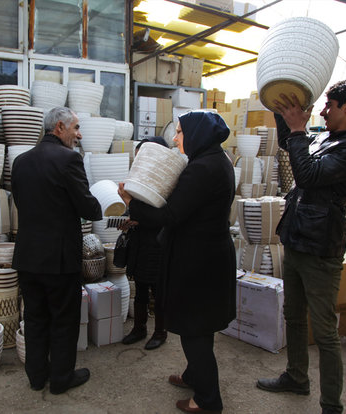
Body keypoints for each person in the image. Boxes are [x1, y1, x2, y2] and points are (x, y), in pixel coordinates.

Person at [256, 79, 346, 414]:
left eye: (330, 105)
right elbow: (291, 146)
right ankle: (296, 377)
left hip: (321, 248)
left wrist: (297, 130)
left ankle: (331, 404)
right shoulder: (328, 138)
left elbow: (306, 176)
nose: (323, 111)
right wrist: (282, 112)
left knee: (324, 330)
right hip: (296, 237)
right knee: (293, 315)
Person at [119, 110, 236, 413]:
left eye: (180, 132)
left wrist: (132, 203)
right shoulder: (214, 160)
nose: (175, 138)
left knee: (193, 327)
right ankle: (193, 375)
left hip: (198, 261)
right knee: (200, 324)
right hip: (206, 256)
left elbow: (169, 216)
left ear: (197, 134)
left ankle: (208, 400)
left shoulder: (204, 168)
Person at [11, 106, 102, 394]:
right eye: (76, 128)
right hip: (60, 259)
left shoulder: (20, 161)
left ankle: (37, 377)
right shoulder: (68, 160)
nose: (79, 134)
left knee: (35, 318)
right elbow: (88, 207)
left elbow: (22, 204)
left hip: (28, 256)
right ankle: (61, 379)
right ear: (60, 127)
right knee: (63, 319)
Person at [120, 136, 168, 350]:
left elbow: (162, 216)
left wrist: (133, 207)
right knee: (139, 287)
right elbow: (135, 210)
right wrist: (127, 219)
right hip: (139, 241)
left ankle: (160, 332)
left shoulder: (167, 181)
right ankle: (139, 328)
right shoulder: (139, 179)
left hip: (158, 242)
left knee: (158, 290)